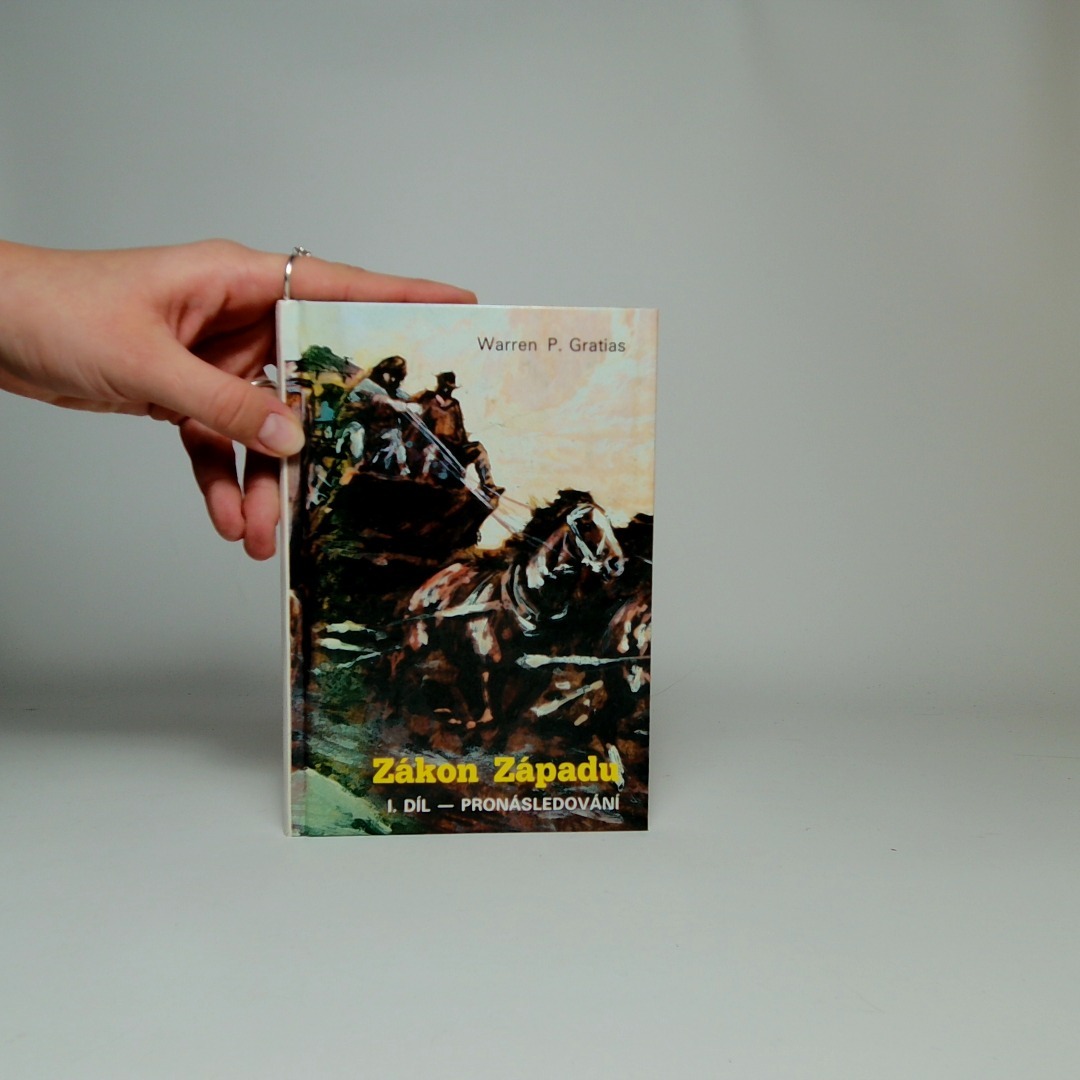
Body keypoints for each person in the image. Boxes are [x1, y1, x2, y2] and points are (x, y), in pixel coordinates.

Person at [0, 239, 475, 559]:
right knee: (366, 442)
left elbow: (414, 411)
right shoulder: (370, 388)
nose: (398, 378)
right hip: (359, 429)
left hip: (389, 431)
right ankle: (342, 486)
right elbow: (362, 406)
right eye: (395, 373)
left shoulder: (413, 397)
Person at [411, 371, 500, 498]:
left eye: (450, 388)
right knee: (428, 456)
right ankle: (420, 486)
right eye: (446, 387)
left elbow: (459, 428)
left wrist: (463, 440)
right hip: (436, 447)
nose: (447, 391)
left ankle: (488, 485)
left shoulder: (454, 404)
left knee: (478, 449)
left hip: (455, 448)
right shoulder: (428, 399)